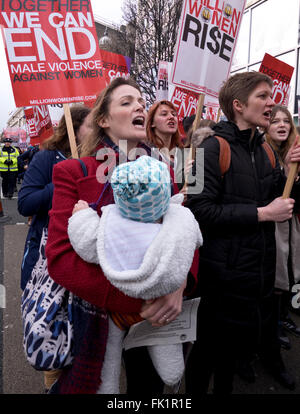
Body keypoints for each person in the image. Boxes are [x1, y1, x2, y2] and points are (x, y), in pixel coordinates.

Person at [45, 77, 198, 394]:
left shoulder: (163, 169)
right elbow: (60, 259)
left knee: (151, 388)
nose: (140, 105)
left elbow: (182, 229)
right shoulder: (74, 171)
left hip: (155, 315)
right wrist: (138, 295)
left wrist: (177, 284)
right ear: (103, 119)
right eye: (126, 102)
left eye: (141, 101)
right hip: (102, 314)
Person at [185, 71, 300, 394]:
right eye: (262, 96)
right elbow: (196, 210)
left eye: (271, 95)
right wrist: (262, 214)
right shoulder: (209, 147)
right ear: (238, 105)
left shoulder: (265, 152)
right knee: (205, 355)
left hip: (254, 279)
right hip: (220, 281)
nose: (271, 103)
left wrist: (294, 173)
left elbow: (284, 199)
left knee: (230, 359)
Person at [68, 155, 202, 393]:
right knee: (162, 334)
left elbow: (86, 243)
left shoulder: (112, 223)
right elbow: (194, 239)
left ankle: (108, 386)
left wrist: (81, 215)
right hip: (157, 305)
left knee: (109, 355)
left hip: (116, 311)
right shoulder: (178, 219)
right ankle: (172, 369)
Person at [18, 105, 91, 392]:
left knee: (82, 336)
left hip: (84, 260)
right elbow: (26, 202)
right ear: (73, 127)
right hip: (46, 261)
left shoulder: (102, 161)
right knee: (52, 333)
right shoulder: (48, 157)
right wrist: (64, 180)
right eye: (90, 124)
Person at [265, 105, 300, 348]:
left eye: (285, 120)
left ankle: (281, 318)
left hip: (290, 226)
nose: (281, 125)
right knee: (274, 279)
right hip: (270, 226)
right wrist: (285, 172)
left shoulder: (294, 154)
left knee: (289, 274)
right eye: (275, 120)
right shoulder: (263, 152)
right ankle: (271, 329)